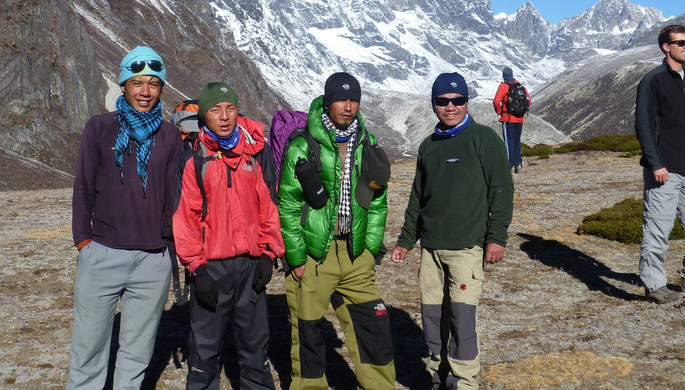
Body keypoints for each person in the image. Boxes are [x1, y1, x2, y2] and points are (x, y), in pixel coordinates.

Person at [67, 46, 182, 389]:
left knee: (136, 355)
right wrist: (83, 240)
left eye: (153, 84)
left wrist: (165, 238)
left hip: (153, 261)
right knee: (88, 350)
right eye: (137, 83)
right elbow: (83, 185)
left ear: (161, 88)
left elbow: (173, 195)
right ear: (123, 85)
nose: (145, 92)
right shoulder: (99, 127)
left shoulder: (170, 135)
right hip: (102, 253)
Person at [392, 72, 513, 390]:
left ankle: (464, 381)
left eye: (457, 100)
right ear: (434, 104)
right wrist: (406, 241)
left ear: (466, 102)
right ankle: (438, 374)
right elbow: (418, 198)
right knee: (432, 319)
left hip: (467, 249)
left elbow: (502, 191)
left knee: (462, 320)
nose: (450, 106)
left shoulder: (484, 140)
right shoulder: (427, 146)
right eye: (443, 101)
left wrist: (496, 238)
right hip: (430, 249)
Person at [278, 72, 395, 390]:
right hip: (316, 256)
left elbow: (378, 200)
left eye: (354, 100)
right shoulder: (304, 146)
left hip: (356, 254)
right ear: (327, 103)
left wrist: (370, 248)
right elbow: (287, 205)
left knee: (373, 328)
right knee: (308, 334)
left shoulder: (366, 143)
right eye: (341, 100)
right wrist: (297, 257)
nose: (348, 106)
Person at [173, 82, 285, 390]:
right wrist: (197, 268)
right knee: (205, 352)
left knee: (255, 350)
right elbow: (186, 218)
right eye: (215, 110)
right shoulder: (195, 158)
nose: (224, 116)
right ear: (204, 117)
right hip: (212, 269)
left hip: (250, 266)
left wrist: (268, 254)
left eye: (230, 108)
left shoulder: (254, 154)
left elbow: (269, 207)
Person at [635, 24, 685, 304]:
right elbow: (643, 124)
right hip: (664, 169)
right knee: (658, 228)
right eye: (681, 43)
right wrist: (655, 163)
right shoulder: (653, 80)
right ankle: (654, 284)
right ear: (666, 47)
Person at [493, 67, 531, 173]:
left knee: (509, 141)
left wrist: (500, 112)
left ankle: (509, 165)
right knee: (516, 141)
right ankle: (518, 163)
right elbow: (529, 100)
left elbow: (496, 101)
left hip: (508, 118)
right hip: (520, 119)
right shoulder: (520, 86)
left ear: (503, 76)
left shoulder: (503, 86)